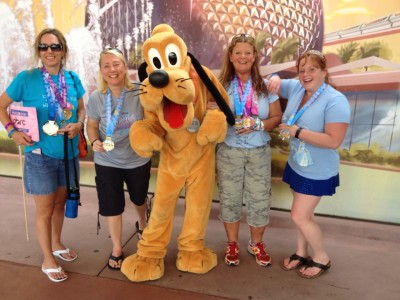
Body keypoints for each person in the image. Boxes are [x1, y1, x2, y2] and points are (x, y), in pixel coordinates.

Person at [0, 28, 86, 282]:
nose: (49, 52)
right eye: (44, 47)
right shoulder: (26, 79)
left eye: (55, 47)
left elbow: (81, 109)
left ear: (63, 51)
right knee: (45, 210)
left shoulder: (71, 77)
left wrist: (79, 124)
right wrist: (12, 132)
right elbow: (1, 105)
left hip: (67, 153)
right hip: (40, 154)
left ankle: (57, 243)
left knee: (60, 203)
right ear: (39, 51)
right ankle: (47, 259)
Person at [278, 50, 351, 278]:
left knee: (299, 216)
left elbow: (334, 141)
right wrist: (272, 80)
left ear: (323, 72)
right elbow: (276, 83)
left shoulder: (335, 101)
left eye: (312, 69)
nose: (306, 74)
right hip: (297, 165)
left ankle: (321, 257)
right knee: (304, 215)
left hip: (316, 172)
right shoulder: (298, 87)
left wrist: (297, 132)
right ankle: (301, 252)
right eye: (302, 70)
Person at [213, 33, 282, 267]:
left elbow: (276, 116)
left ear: (255, 57)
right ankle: (232, 243)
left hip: (258, 152)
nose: (243, 56)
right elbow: (211, 116)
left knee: (260, 199)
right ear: (231, 57)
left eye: (247, 52)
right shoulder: (220, 87)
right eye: (238, 52)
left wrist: (258, 124)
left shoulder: (266, 86)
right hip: (229, 150)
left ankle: (256, 243)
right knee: (230, 198)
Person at [86, 48, 151, 271]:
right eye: (107, 66)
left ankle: (142, 223)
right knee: (112, 205)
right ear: (102, 71)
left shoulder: (140, 92)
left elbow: (153, 119)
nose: (112, 70)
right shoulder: (96, 97)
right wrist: (94, 141)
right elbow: (92, 125)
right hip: (107, 160)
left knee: (138, 197)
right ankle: (116, 248)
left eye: (116, 64)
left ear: (124, 67)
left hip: (137, 159)